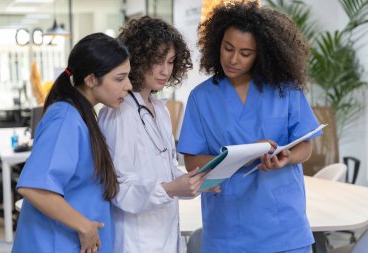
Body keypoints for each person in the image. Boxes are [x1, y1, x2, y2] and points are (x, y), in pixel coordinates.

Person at [177, 1, 321, 253]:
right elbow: (191, 162)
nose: (233, 59)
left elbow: (305, 146)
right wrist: (241, 157)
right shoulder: (201, 98)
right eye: (227, 48)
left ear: (262, 53)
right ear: (216, 43)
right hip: (228, 230)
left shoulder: (285, 90)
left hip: (284, 228)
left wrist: (287, 158)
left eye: (245, 53)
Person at [12, 33, 132, 253]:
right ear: (91, 79)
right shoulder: (65, 118)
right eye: (119, 78)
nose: (128, 86)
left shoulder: (83, 115)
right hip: (53, 244)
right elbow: (34, 187)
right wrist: (84, 226)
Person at [98, 16, 206, 253]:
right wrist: (170, 189)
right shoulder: (119, 112)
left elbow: (165, 172)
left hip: (165, 234)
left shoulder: (160, 110)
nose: (165, 70)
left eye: (170, 61)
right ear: (137, 58)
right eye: (158, 61)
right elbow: (118, 188)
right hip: (135, 241)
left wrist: (199, 181)